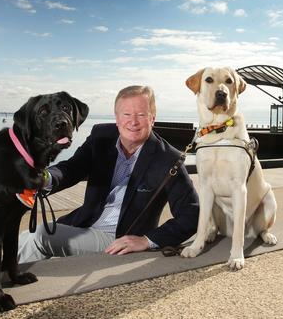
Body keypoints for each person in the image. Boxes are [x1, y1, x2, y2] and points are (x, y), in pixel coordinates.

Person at [18, 85, 199, 263]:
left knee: (40, 236)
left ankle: (7, 283)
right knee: (21, 239)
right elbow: (72, 168)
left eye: (141, 114)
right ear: (117, 118)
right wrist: (45, 178)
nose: (133, 121)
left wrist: (146, 240)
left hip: (118, 239)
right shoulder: (101, 136)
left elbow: (192, 213)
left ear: (152, 118)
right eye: (126, 114)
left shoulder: (169, 159)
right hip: (84, 223)